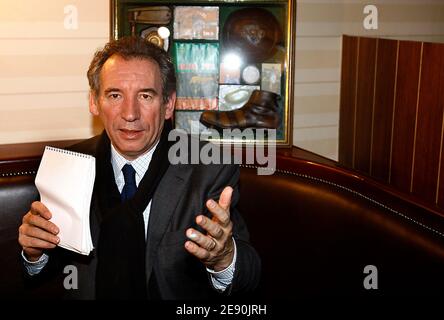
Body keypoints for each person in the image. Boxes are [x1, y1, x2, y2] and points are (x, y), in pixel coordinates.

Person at [17, 36, 261, 300]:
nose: (130, 113)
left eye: (145, 95)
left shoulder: (209, 168)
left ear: (168, 104)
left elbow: (249, 278)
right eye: (114, 95)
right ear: (94, 102)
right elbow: (44, 274)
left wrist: (224, 258)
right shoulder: (68, 164)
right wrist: (34, 254)